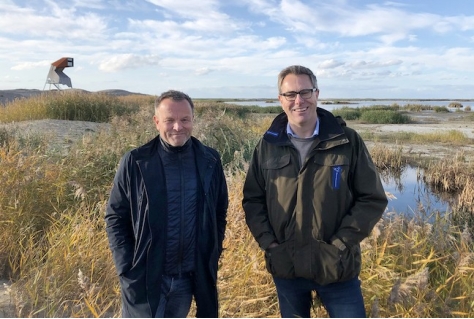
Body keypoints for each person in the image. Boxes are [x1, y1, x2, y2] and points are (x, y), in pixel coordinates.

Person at [242, 65, 387, 318]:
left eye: (305, 91)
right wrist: (271, 245)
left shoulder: (347, 141)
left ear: (317, 93)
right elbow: (253, 200)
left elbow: (372, 198)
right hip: (286, 267)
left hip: (336, 267)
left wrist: (340, 245)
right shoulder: (267, 146)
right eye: (290, 94)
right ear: (281, 100)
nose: (299, 100)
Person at [105, 90, 228, 318]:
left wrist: (213, 252)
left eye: (184, 120)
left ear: (193, 120)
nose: (177, 127)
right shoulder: (136, 161)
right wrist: (126, 268)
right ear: (157, 121)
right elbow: (115, 217)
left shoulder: (210, 160)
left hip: (187, 279)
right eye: (169, 120)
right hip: (146, 277)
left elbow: (219, 212)